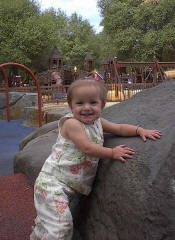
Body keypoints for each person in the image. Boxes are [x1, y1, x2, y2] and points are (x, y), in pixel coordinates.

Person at [30, 78, 161, 240]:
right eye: (80, 103)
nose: (86, 108)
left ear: (102, 105)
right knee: (61, 227)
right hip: (52, 183)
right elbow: (87, 147)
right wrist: (112, 153)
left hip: (66, 185)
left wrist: (139, 130)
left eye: (93, 102)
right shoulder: (72, 124)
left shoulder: (98, 122)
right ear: (71, 107)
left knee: (51, 221)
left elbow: (119, 128)